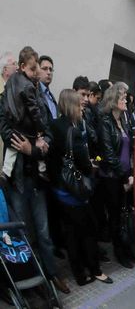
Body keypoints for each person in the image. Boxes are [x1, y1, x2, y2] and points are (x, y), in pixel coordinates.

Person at [0, 46, 68, 294]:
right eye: (37, 67)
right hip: (17, 177)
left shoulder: (40, 97)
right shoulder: (7, 97)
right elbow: (5, 130)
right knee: (23, 232)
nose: (38, 72)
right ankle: (33, 280)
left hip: (37, 176)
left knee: (43, 232)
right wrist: (24, 143)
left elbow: (48, 134)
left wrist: (34, 150)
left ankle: (51, 276)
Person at [47, 89, 112, 286]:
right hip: (74, 192)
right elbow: (85, 164)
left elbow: (51, 159)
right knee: (88, 232)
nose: (82, 107)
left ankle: (79, 275)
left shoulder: (54, 124)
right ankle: (95, 270)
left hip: (59, 188)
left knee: (71, 234)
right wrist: (93, 163)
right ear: (70, 106)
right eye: (78, 104)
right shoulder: (73, 131)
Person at [98, 82, 135, 269]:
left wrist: (130, 173)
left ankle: (127, 249)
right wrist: (124, 178)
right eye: (122, 97)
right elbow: (108, 155)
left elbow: (128, 150)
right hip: (112, 177)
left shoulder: (124, 120)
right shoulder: (105, 122)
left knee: (125, 214)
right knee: (115, 216)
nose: (125, 100)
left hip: (125, 174)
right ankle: (120, 253)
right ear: (113, 100)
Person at [38, 56, 57, 122]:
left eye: (50, 69)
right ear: (38, 70)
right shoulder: (34, 93)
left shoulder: (51, 96)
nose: (49, 72)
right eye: (45, 69)